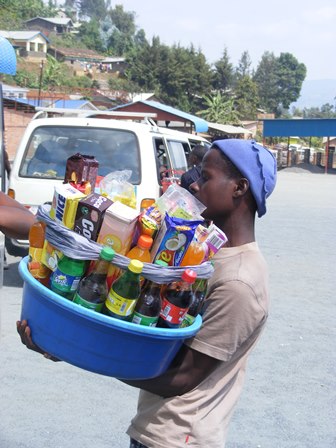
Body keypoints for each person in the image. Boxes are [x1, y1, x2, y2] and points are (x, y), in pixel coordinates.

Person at [17, 139, 277, 448]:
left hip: (178, 439)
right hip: (157, 431)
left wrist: (81, 352)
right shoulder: (201, 253)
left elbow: (182, 377)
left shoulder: (240, 281)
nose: (193, 186)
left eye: (205, 177)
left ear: (239, 188)